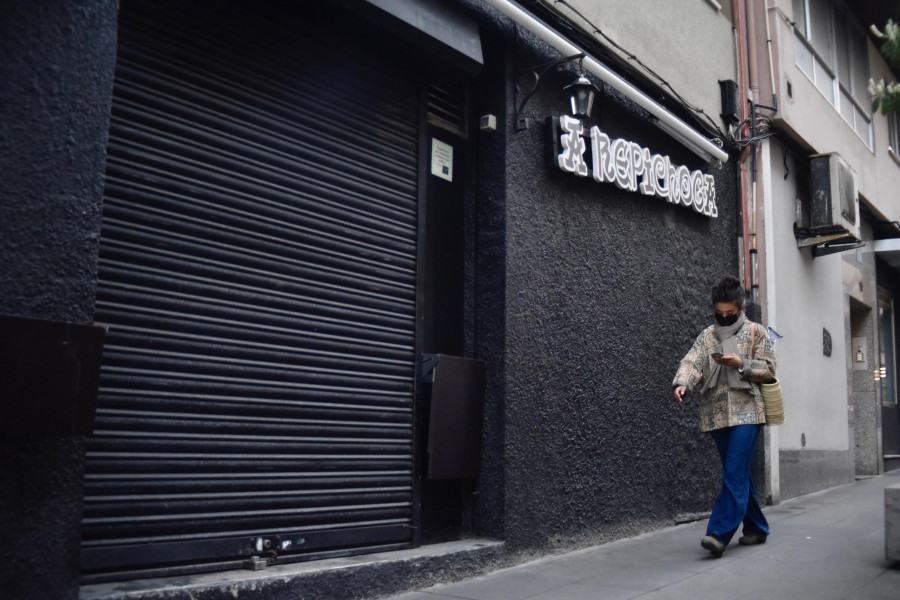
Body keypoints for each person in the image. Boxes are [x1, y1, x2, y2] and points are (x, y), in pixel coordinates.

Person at [672, 275, 776, 558]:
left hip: (748, 411)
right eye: (720, 312)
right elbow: (692, 362)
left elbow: (768, 369)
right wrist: (682, 383)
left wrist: (741, 363)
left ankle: (718, 532)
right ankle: (756, 527)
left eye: (730, 313)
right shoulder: (707, 336)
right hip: (716, 413)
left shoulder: (756, 332)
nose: (724, 317)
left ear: (741, 307)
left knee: (732, 472)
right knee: (738, 472)